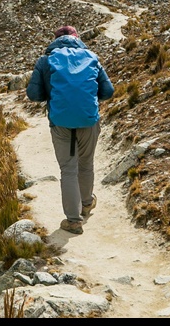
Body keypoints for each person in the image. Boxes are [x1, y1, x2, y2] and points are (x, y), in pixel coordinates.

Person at [25, 25, 115, 234]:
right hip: (89, 120)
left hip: (61, 123)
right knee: (86, 164)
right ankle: (86, 204)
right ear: (77, 38)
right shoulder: (91, 57)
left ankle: (74, 221)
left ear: (55, 39)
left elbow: (34, 95)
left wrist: (53, 95)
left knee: (68, 169)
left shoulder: (45, 60)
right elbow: (108, 91)